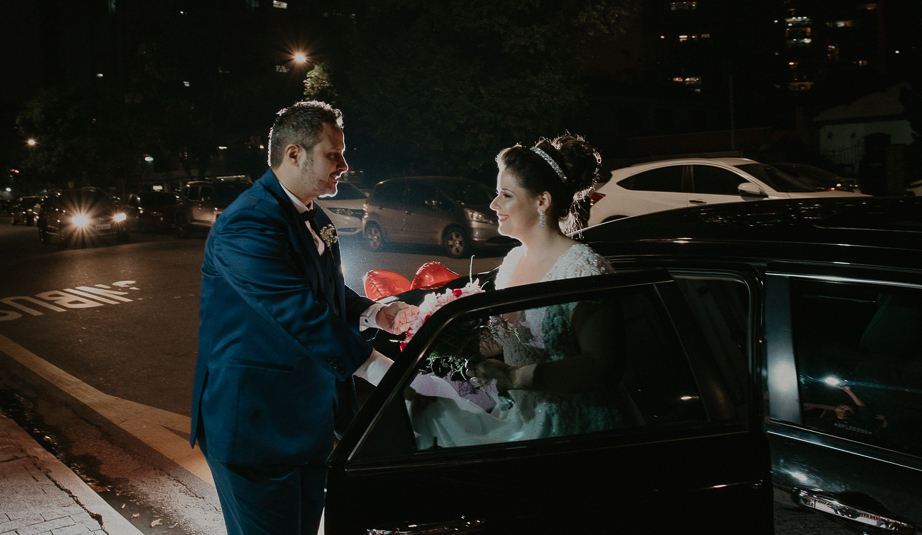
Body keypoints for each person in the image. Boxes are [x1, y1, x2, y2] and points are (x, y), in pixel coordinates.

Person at [189, 101, 414, 535]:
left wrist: (374, 312)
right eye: (334, 154)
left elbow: (326, 294)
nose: (344, 165)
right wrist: (375, 367)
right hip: (256, 426)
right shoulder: (246, 223)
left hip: (311, 421)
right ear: (294, 154)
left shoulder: (316, 216)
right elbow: (294, 309)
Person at [408, 135, 630, 447]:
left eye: (506, 195)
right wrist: (446, 359)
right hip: (522, 417)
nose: (493, 204)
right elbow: (501, 342)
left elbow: (604, 364)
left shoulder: (582, 269)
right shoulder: (512, 263)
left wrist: (517, 378)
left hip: (577, 427)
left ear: (542, 201)